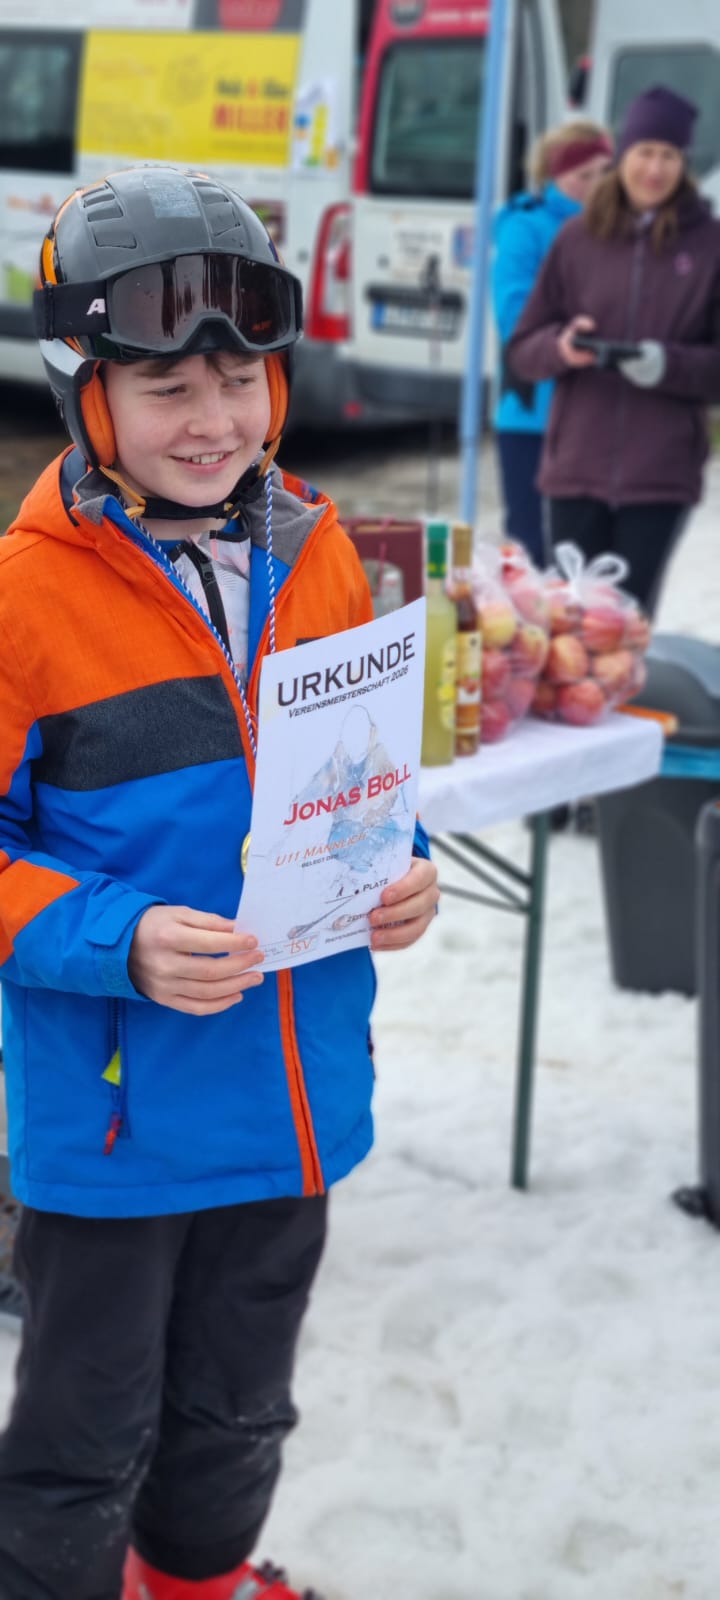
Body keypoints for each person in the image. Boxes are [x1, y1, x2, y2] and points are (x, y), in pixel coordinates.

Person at [0, 166, 439, 1600]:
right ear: (88, 395)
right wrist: (111, 937)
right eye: (167, 387)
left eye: (239, 379)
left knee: (239, 1407)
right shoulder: (23, 598)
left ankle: (194, 1580)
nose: (213, 419)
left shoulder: (319, 554)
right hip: (116, 1125)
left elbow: (363, 783)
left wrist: (406, 866)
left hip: (293, 1101)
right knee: (83, 1434)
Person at [507, 85, 720, 617]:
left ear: (684, 164)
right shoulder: (576, 239)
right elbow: (523, 350)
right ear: (623, 156)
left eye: (669, 155)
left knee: (624, 628)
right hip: (576, 468)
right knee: (571, 628)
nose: (655, 169)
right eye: (645, 152)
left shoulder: (709, 244)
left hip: (660, 475)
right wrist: (560, 348)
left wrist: (668, 365)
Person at [491, 120, 613, 566]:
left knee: (593, 560)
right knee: (535, 554)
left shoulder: (617, 227)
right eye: (584, 175)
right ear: (554, 175)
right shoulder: (527, 227)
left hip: (601, 417)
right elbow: (514, 316)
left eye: (605, 172)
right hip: (534, 417)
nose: (597, 185)